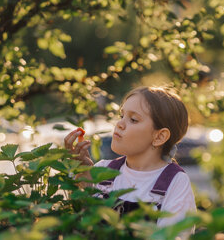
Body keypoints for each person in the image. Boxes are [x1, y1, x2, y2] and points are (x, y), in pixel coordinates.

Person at [64, 86, 197, 231]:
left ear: (159, 137)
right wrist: (82, 176)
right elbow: (81, 225)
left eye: (133, 119)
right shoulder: (102, 170)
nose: (119, 124)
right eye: (122, 116)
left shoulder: (175, 182)